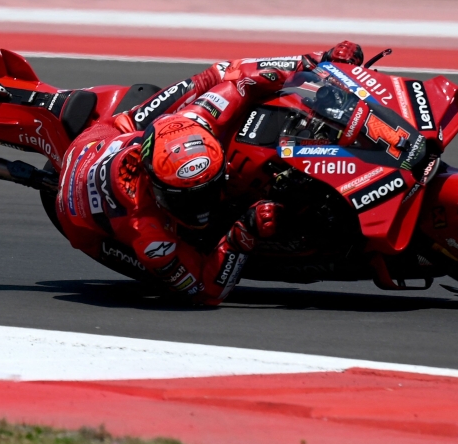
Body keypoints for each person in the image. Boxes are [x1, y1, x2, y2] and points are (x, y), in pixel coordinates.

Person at [54, 41, 364, 305]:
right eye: (189, 200)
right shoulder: (146, 232)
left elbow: (241, 75)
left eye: (209, 189)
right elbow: (204, 292)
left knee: (215, 75)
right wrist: (239, 237)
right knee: (166, 271)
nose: (205, 205)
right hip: (82, 219)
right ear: (158, 189)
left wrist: (321, 61)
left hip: (114, 135)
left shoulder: (198, 117)